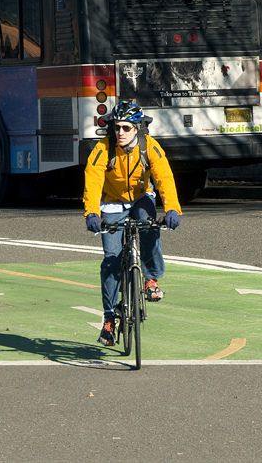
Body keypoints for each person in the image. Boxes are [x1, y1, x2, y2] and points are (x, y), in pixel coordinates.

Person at [83, 100, 182, 347]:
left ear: (137, 128)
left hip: (140, 197)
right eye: (117, 128)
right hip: (112, 203)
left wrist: (172, 208)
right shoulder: (103, 149)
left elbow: (164, 177)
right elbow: (93, 180)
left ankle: (151, 279)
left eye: (126, 128)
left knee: (148, 225)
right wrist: (92, 213)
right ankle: (108, 319)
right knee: (111, 259)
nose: (121, 133)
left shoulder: (150, 147)